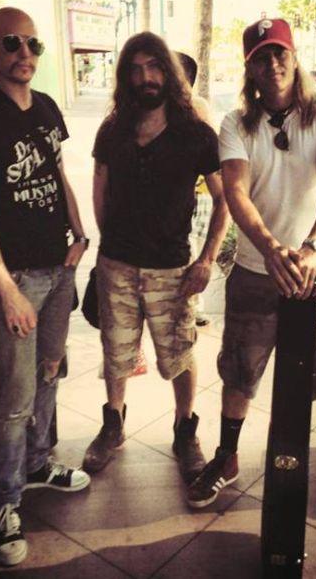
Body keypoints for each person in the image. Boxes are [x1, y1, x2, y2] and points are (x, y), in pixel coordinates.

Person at [187, 18, 316, 542]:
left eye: (280, 53)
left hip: (315, 272)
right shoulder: (237, 123)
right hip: (255, 272)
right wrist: (271, 248)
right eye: (261, 56)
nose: (272, 64)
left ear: (294, 58)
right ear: (249, 67)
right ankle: (227, 456)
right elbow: (236, 191)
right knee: (239, 373)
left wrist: (315, 244)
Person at [0, 7, 91, 566]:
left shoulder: (48, 107)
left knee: (50, 371)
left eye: (33, 44)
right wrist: (6, 290)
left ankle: (37, 462)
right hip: (15, 278)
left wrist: (80, 235)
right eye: (12, 43)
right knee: (14, 396)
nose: (24, 53)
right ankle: (4, 504)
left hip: (59, 268)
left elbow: (58, 176)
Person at [82, 32, 229, 485]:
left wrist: (207, 259)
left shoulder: (196, 134)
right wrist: (112, 247)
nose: (145, 77)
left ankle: (185, 430)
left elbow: (225, 200)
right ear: (126, 77)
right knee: (116, 353)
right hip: (117, 266)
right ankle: (113, 424)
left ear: (167, 71)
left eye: (153, 66)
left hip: (173, 269)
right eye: (135, 68)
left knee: (179, 355)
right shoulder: (113, 131)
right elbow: (100, 190)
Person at [177, 52, 213, 327]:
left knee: (191, 249)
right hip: (181, 196)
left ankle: (193, 305)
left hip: (199, 194)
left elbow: (209, 153)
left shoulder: (196, 107)